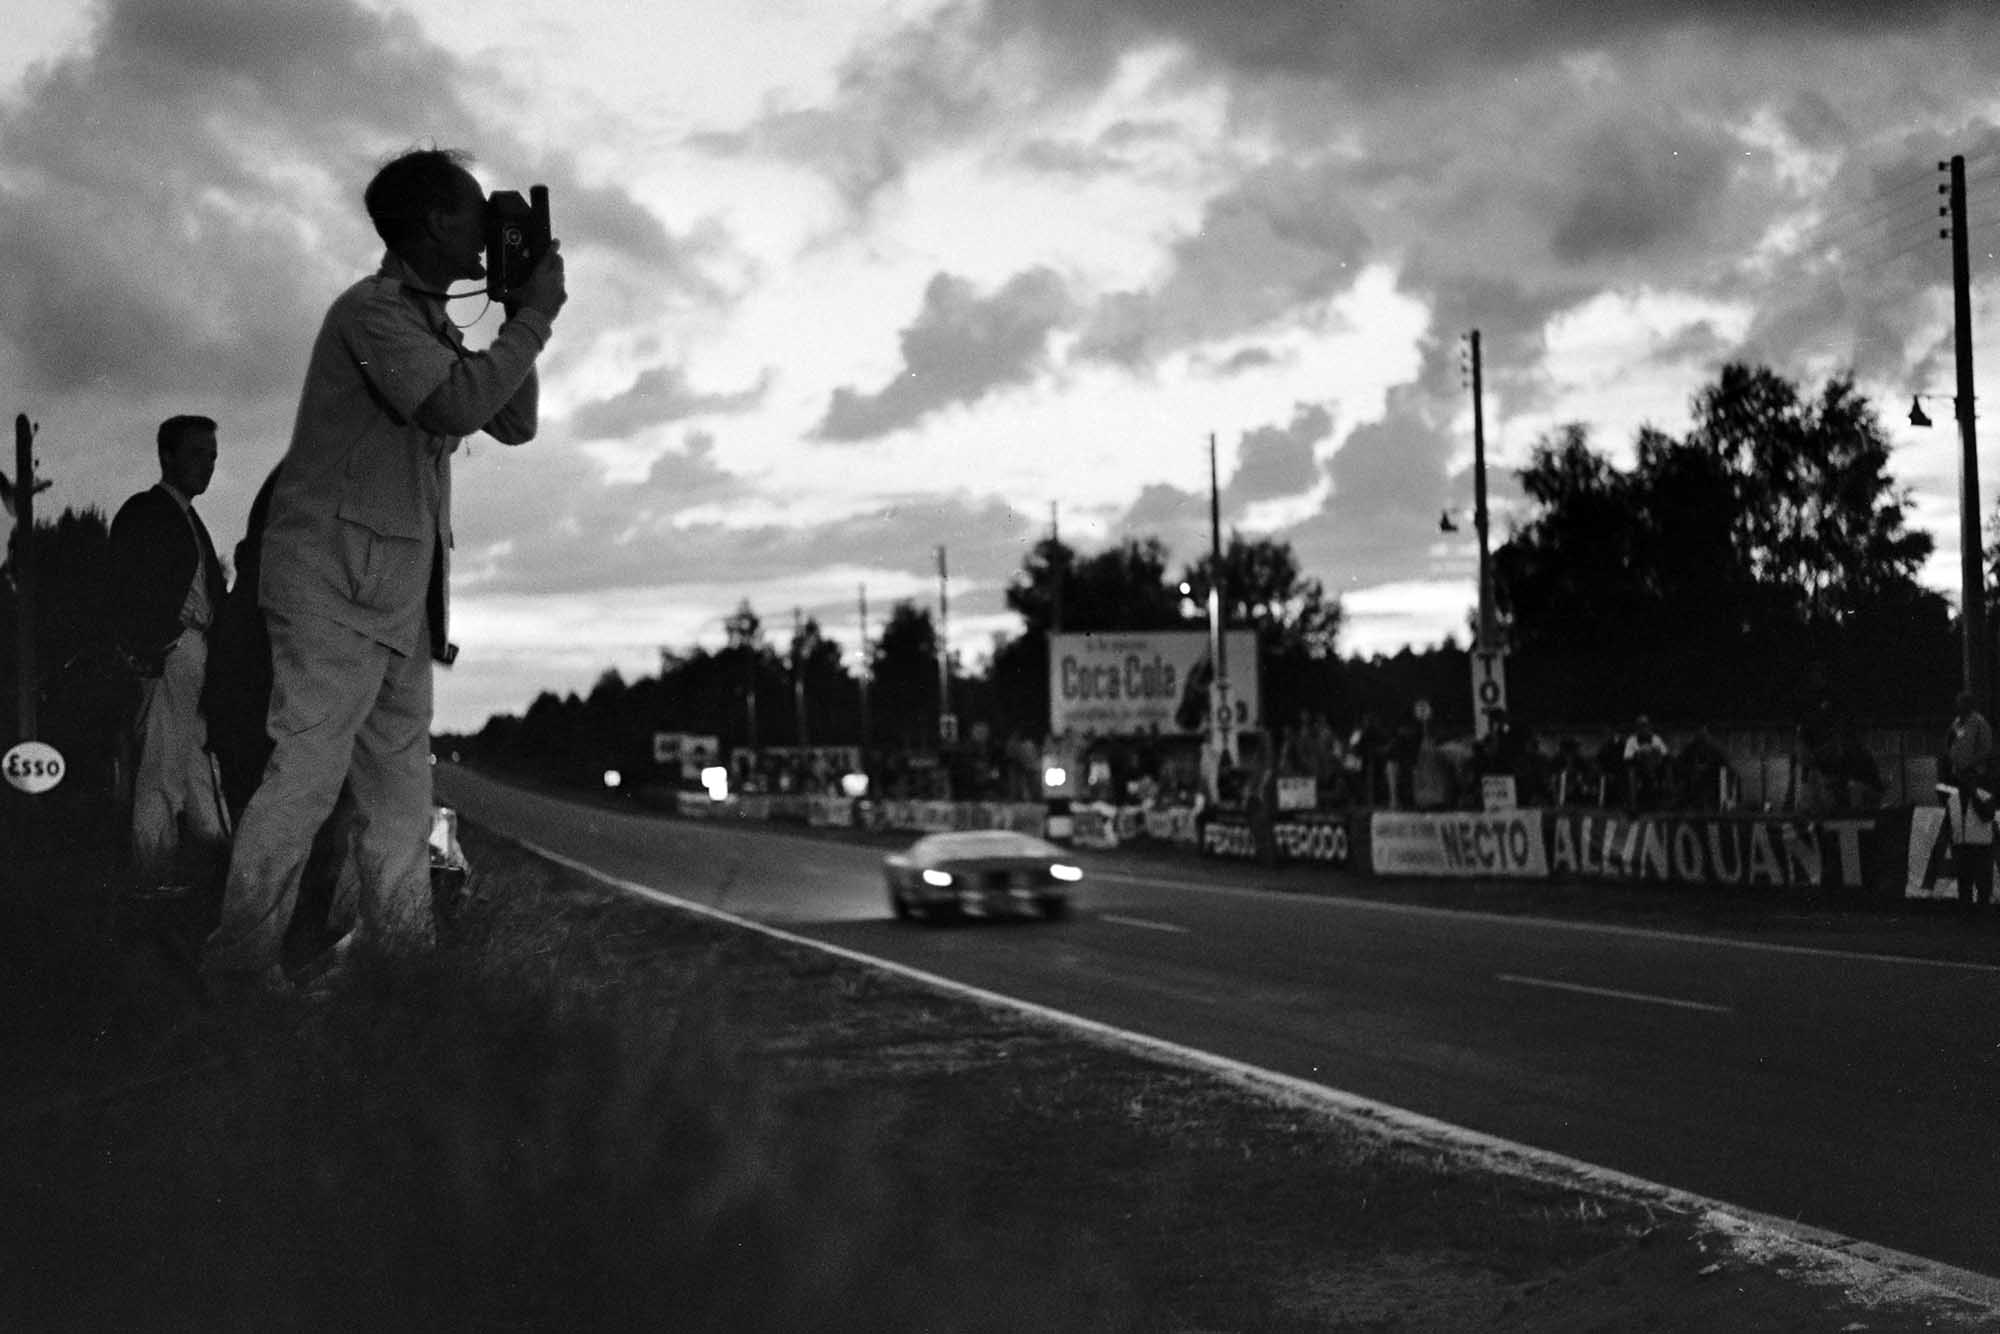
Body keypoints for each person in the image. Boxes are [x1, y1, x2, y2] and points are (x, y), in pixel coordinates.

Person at [201, 148, 567, 994]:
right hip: (333, 585)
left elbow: (513, 420)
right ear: (435, 221)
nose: (490, 228)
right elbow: (456, 406)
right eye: (477, 212)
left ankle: (400, 963)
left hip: (394, 595)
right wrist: (535, 317)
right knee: (308, 774)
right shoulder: (371, 315)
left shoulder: (432, 326)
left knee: (402, 796)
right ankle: (239, 964)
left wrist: (516, 313)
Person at [108, 415, 230, 897]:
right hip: (174, 652)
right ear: (167, 456)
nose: (208, 466)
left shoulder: (187, 518)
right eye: (198, 454)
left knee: (200, 771)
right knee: (164, 767)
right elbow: (122, 587)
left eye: (213, 457)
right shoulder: (146, 511)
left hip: (192, 653)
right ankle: (153, 880)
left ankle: (219, 873)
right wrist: (163, 642)